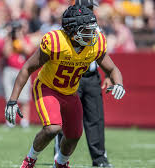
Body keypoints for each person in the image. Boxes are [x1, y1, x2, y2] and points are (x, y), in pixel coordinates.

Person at [4, 5, 126, 168]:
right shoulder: (56, 41)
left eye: (92, 30)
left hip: (70, 92)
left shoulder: (94, 44)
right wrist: (13, 100)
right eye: (87, 30)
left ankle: (61, 163)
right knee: (53, 128)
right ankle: (30, 160)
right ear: (72, 30)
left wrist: (119, 83)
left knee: (75, 134)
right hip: (48, 87)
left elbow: (112, 68)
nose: (92, 35)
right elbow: (27, 68)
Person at [53, 1, 113, 167]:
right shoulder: (70, 27)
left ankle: (99, 158)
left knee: (96, 118)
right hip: (72, 77)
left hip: (92, 77)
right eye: (90, 8)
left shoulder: (94, 28)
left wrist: (108, 73)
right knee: (66, 118)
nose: (93, 11)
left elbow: (102, 55)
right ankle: (59, 156)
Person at [2, 19, 34, 128]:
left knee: (24, 97)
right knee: (9, 97)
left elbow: (28, 50)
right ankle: (10, 121)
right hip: (9, 70)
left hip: (22, 70)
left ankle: (25, 122)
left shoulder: (25, 39)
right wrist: (9, 37)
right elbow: (6, 53)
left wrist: (20, 36)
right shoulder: (9, 40)